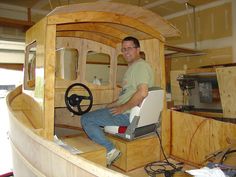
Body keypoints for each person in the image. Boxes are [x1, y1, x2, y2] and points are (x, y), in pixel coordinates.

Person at [81, 36, 154, 166]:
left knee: (86, 119)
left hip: (128, 114)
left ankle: (110, 150)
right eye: (124, 49)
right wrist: (110, 105)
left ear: (138, 49)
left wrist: (123, 108)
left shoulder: (140, 66)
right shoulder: (133, 68)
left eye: (129, 48)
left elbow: (142, 92)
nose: (126, 52)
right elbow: (126, 95)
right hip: (126, 110)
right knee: (98, 113)